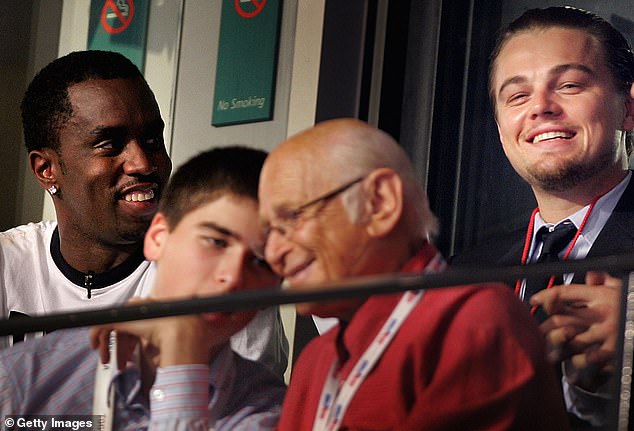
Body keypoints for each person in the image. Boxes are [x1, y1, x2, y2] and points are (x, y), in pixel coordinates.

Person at [258, 117, 569, 430]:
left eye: (293, 217)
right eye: (268, 232)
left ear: (379, 203)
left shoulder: (471, 323)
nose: (273, 253)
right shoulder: (316, 361)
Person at [3, 50, 287, 376]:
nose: (143, 163)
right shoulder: (8, 263)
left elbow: (231, 416)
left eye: (152, 139)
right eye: (109, 144)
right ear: (47, 169)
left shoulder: (222, 274)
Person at [0, 146, 286, 430]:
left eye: (261, 262)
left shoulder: (270, 407)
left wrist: (182, 362)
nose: (233, 277)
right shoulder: (32, 371)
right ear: (159, 237)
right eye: (216, 242)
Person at [450, 6, 634, 429]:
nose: (541, 108)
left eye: (569, 85)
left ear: (628, 108)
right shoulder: (463, 275)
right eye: (517, 96)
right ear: (501, 128)